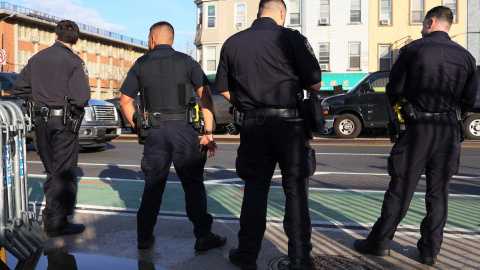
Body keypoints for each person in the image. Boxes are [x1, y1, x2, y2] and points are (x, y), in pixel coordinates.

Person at [353, 6, 478, 266]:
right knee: (439, 193)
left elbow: (394, 89)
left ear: (431, 22)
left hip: (418, 127)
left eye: (423, 23)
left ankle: (379, 242)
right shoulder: (466, 57)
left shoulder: (412, 50)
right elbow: (467, 99)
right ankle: (429, 250)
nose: (422, 27)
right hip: (449, 130)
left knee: (401, 189)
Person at [216, 1, 322, 269]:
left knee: (254, 189)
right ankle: (300, 257)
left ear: (259, 11)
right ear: (282, 13)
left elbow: (224, 90)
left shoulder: (232, 42)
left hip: (254, 125)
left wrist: (249, 104)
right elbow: (315, 82)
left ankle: (247, 254)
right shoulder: (292, 38)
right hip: (291, 124)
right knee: (296, 191)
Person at [119, 21, 227, 250]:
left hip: (154, 131)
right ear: (172, 40)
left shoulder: (141, 64)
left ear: (151, 39)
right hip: (183, 131)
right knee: (193, 184)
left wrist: (140, 127)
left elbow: (125, 102)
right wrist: (208, 132)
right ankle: (202, 236)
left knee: (153, 185)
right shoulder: (187, 62)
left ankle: (144, 237)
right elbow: (205, 96)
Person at [13, 20, 90, 237]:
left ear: (55, 36)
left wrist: (39, 101)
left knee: (52, 171)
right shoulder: (74, 61)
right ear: (76, 40)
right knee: (63, 172)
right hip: (63, 122)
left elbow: (19, 88)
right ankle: (57, 223)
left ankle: (53, 218)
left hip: (40, 122)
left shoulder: (36, 58)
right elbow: (81, 97)